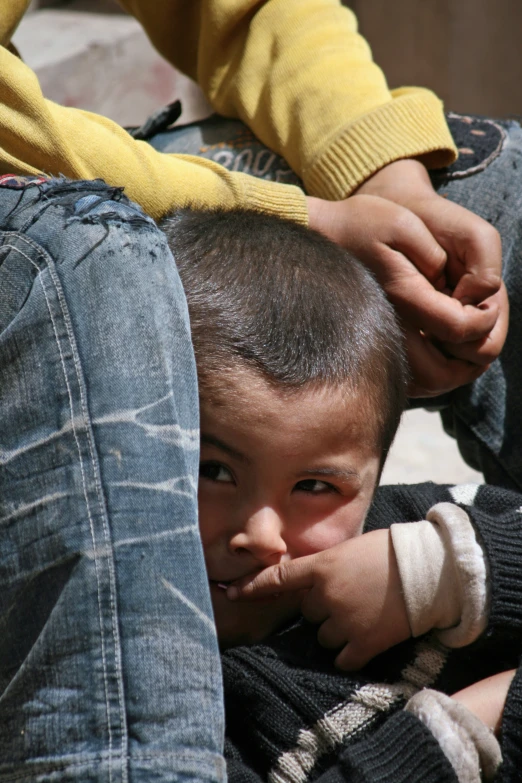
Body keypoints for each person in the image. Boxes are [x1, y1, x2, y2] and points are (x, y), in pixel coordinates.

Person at [161, 208, 521, 781]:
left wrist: (436, 573)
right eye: (213, 470)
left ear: (374, 476)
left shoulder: (417, 526)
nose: (260, 536)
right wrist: (478, 722)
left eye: (314, 487)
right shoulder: (167, 702)